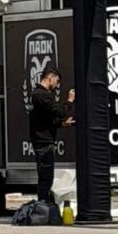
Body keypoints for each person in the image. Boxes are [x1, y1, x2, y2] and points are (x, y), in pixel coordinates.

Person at [30, 65, 75, 203]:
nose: (57, 85)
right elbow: (59, 112)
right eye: (57, 81)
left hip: (44, 141)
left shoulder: (41, 95)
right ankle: (43, 205)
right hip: (43, 143)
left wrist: (63, 124)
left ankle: (44, 204)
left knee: (46, 178)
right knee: (45, 178)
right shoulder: (41, 95)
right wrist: (69, 101)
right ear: (51, 77)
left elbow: (47, 120)